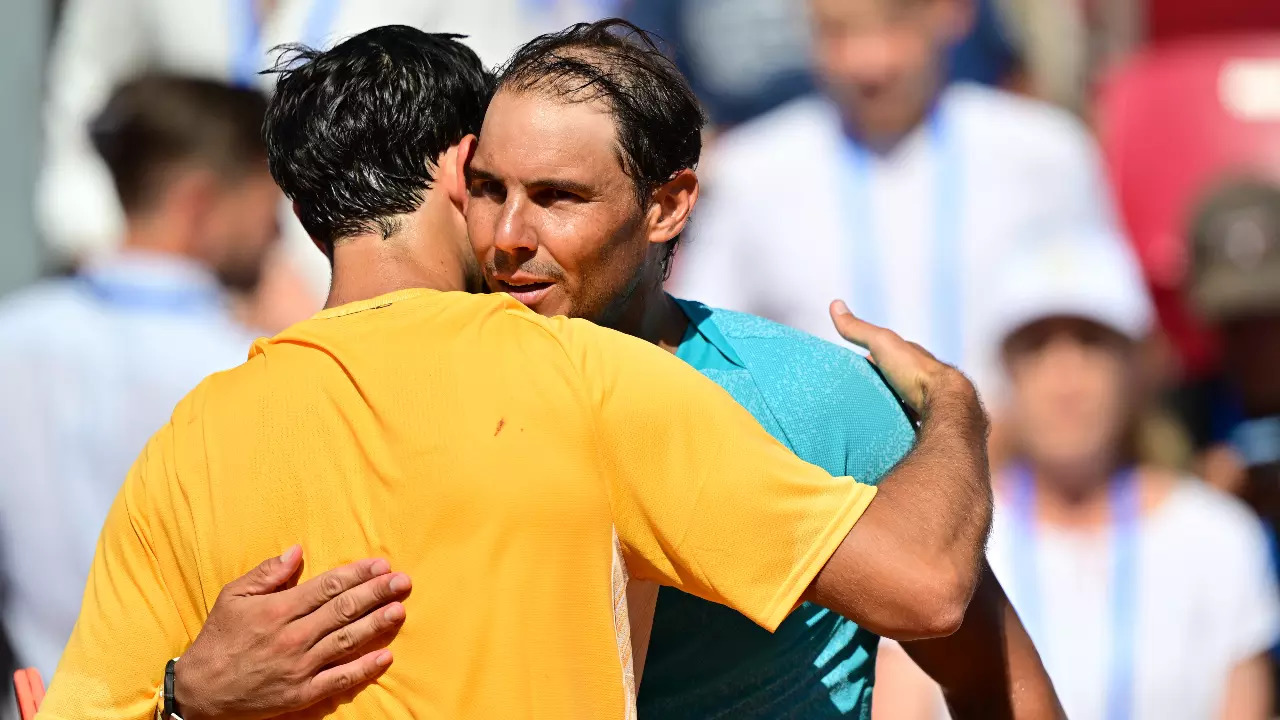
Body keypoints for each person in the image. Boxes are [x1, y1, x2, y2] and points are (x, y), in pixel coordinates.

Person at [37, 25, 993, 720]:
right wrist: (954, 407)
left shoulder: (193, 437)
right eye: (497, 184)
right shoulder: (588, 379)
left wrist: (183, 701)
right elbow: (928, 586)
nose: (513, 231)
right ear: (462, 171)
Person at [873, 230, 1280, 719]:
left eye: (1091, 343)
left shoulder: (1219, 536)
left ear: (1134, 365)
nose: (1066, 379)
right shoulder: (944, 538)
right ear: (1007, 368)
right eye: (1038, 346)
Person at [672, 0, 1127, 397]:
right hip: (822, 480)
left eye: (894, 24)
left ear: (952, 11)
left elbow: (1111, 337)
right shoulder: (751, 172)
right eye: (837, 31)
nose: (870, 62)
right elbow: (702, 352)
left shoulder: (1046, 153)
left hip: (1015, 480)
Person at [0, 74, 277, 682]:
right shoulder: (251, 366)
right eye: (267, 202)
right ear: (200, 202)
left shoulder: (13, 337)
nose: (276, 230)